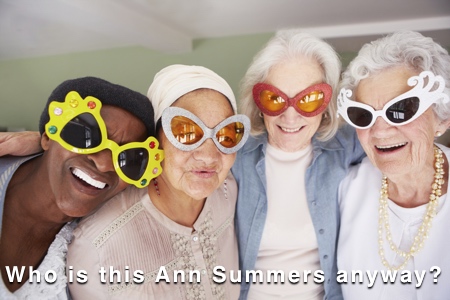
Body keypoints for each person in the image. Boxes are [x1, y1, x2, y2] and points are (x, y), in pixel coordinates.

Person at [66, 64, 250, 299]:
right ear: (155, 139)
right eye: (185, 132)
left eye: (226, 135)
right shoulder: (97, 246)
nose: (208, 156)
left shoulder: (229, 190)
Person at [0, 76, 163, 299]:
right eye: (85, 134)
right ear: (48, 136)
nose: (105, 164)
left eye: (131, 159)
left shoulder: (98, 242)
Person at [232, 28, 365, 300]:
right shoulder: (234, 155)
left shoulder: (348, 147)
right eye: (274, 99)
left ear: (326, 103)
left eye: (309, 99)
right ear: (258, 102)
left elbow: (402, 143)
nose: (290, 117)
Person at [337, 30, 450, 299]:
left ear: (442, 118)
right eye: (363, 115)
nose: (380, 131)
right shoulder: (343, 190)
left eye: (401, 109)